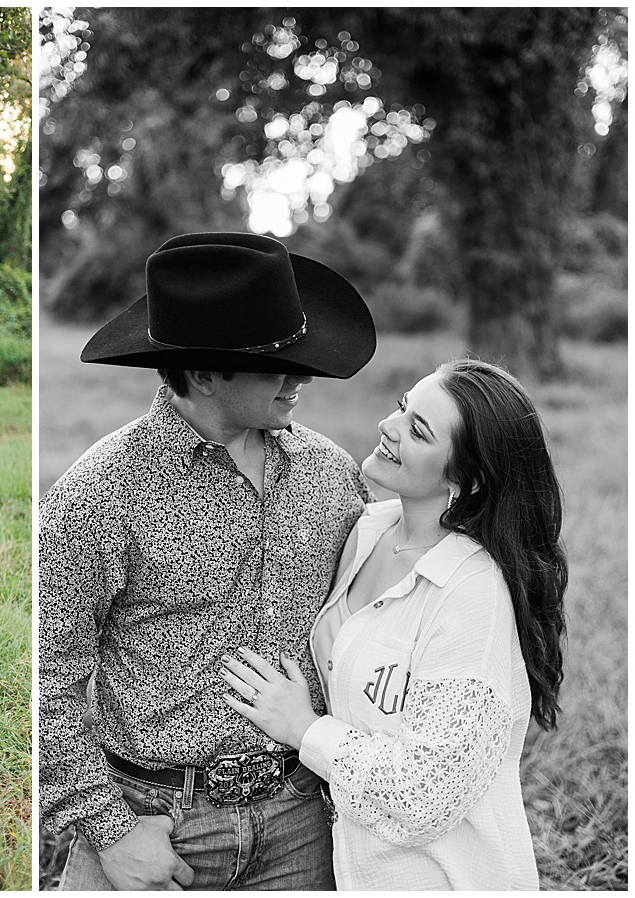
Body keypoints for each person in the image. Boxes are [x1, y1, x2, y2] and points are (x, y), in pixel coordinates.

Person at [39, 232, 378, 890]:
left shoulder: (332, 476)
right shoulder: (100, 495)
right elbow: (43, 679)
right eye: (275, 362)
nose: (300, 377)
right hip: (153, 822)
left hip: (302, 819)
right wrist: (111, 831)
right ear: (202, 372)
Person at [220, 358, 567, 890]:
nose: (389, 425)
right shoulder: (367, 530)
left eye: (418, 430)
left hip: (439, 876)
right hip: (355, 865)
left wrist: (303, 728)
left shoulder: (471, 594)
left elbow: (425, 793)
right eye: (404, 406)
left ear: (467, 477)